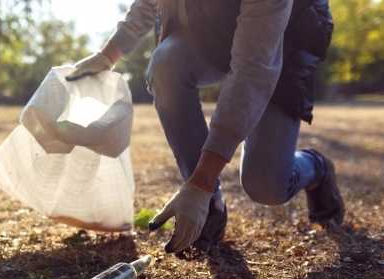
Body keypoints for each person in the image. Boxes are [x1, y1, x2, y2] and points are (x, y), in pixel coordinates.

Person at [66, 0, 343, 256]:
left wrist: (202, 181)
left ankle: (317, 167)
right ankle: (210, 207)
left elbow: (252, 68)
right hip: (211, 29)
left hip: (287, 35)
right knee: (165, 65)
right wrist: (108, 55)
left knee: (266, 186)